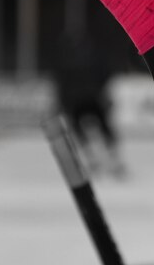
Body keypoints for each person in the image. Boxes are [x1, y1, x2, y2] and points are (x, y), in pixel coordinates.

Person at [50, 30, 125, 177]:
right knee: (99, 129)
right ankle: (105, 161)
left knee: (93, 129)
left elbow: (62, 84)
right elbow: (62, 83)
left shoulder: (70, 60)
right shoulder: (86, 60)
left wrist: (62, 102)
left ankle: (105, 161)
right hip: (87, 99)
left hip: (85, 99)